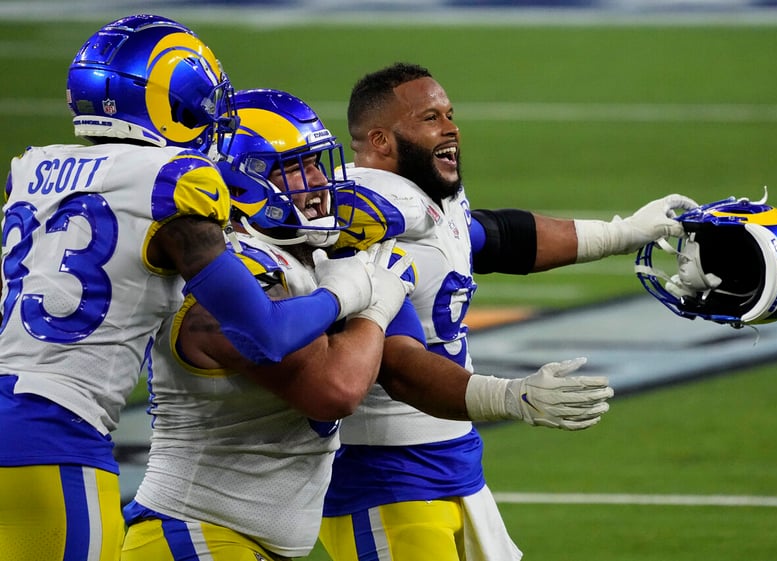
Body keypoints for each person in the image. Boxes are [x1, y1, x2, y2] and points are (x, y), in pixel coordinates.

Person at [120, 88, 613, 561]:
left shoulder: (316, 253)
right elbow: (332, 390)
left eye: (317, 163)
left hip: (239, 538)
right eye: (296, 169)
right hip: (195, 534)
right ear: (244, 180)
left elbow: (403, 355)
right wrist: (363, 299)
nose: (319, 183)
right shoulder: (230, 277)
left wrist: (506, 395)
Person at [0, 18, 391, 561]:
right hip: (53, 430)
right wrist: (345, 292)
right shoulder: (173, 178)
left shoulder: (32, 169)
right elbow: (267, 336)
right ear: (172, 98)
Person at [318, 62, 699, 561]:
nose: (452, 127)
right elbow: (395, 366)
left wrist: (620, 234)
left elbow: (501, 238)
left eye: (450, 113)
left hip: (452, 461)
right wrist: (510, 396)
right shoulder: (366, 220)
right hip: (383, 474)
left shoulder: (426, 201)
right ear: (382, 140)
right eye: (430, 117)